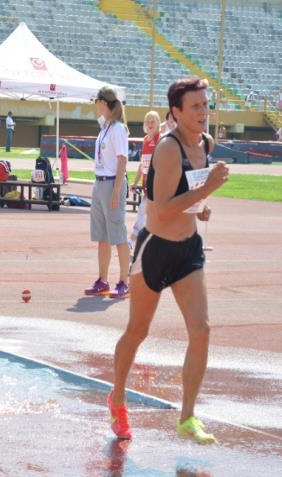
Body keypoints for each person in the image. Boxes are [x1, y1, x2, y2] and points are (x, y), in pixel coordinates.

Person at [108, 77, 229, 445]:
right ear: (175, 112)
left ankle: (188, 417)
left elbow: (186, 198)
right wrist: (206, 189)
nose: (203, 113)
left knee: (202, 329)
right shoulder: (167, 148)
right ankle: (118, 396)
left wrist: (200, 207)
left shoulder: (205, 144)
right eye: (195, 107)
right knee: (138, 331)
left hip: (188, 249)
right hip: (156, 250)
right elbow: (160, 212)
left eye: (205, 105)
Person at [85, 86, 131, 299]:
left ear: (103, 102)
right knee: (102, 236)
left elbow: (122, 160)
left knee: (118, 235)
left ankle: (124, 281)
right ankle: (102, 280)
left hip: (113, 182)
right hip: (100, 181)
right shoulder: (106, 126)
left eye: (97, 101)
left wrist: (117, 190)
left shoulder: (118, 129)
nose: (96, 105)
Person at [129, 111, 161, 247]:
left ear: (158, 123)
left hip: (158, 184)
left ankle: (132, 240)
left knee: (143, 211)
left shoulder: (161, 139)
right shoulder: (145, 141)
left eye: (153, 121)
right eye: (147, 121)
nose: (150, 124)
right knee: (148, 213)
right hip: (147, 183)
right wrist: (135, 182)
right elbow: (143, 164)